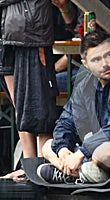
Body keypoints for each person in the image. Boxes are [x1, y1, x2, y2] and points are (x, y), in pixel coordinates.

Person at [36, 30, 110, 184]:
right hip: (94, 150)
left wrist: (82, 152)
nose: (105, 64)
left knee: (103, 152)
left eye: (108, 55)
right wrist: (63, 150)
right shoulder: (84, 85)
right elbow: (67, 122)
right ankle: (81, 172)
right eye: (96, 59)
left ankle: (72, 173)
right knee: (48, 146)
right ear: (85, 64)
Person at [0, 0, 59, 180]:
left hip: (32, 36)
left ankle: (42, 168)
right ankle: (29, 166)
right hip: (7, 35)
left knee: (40, 108)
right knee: (21, 107)